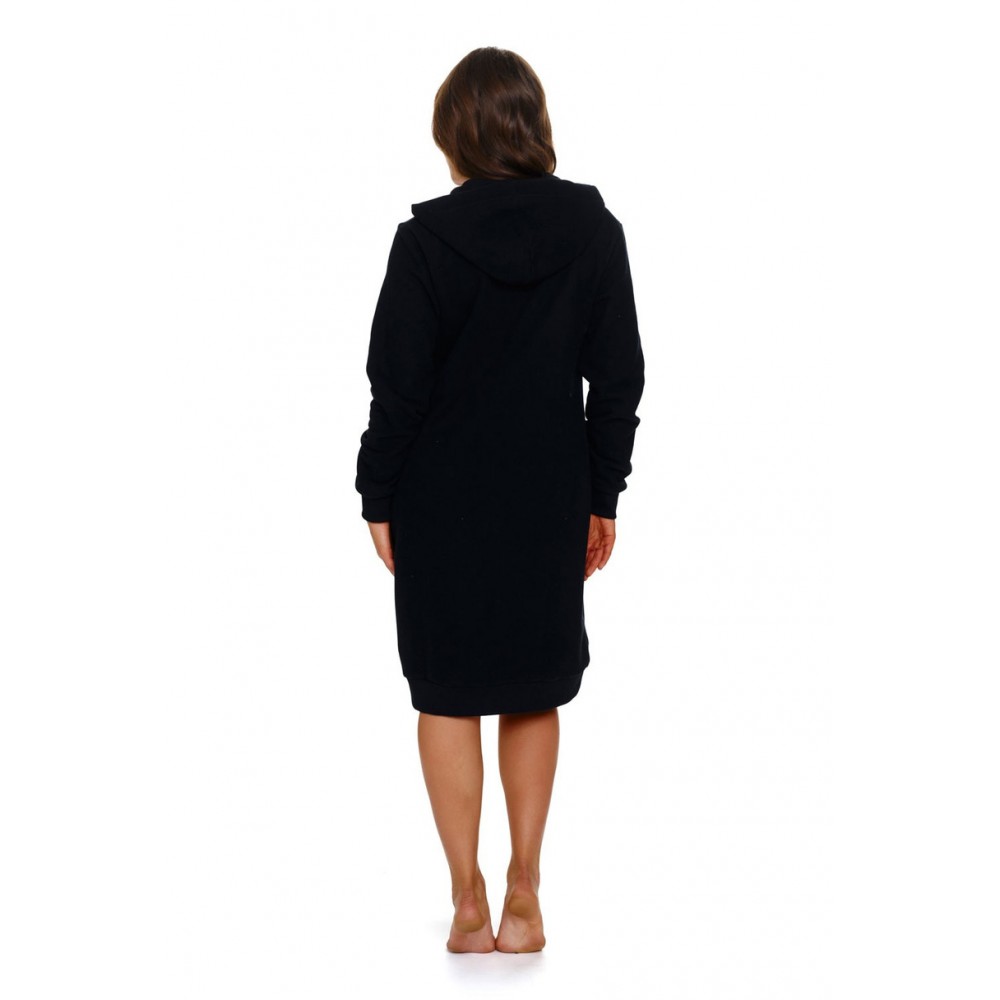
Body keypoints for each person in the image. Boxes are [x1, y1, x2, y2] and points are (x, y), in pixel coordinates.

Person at [355, 47, 645, 953]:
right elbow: (619, 379)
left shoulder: (424, 242)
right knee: (531, 687)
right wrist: (602, 493)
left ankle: (467, 897)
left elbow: (397, 390)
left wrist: (377, 495)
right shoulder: (593, 230)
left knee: (447, 694)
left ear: (454, 136)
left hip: (439, 502)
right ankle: (526, 887)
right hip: (547, 498)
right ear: (534, 126)